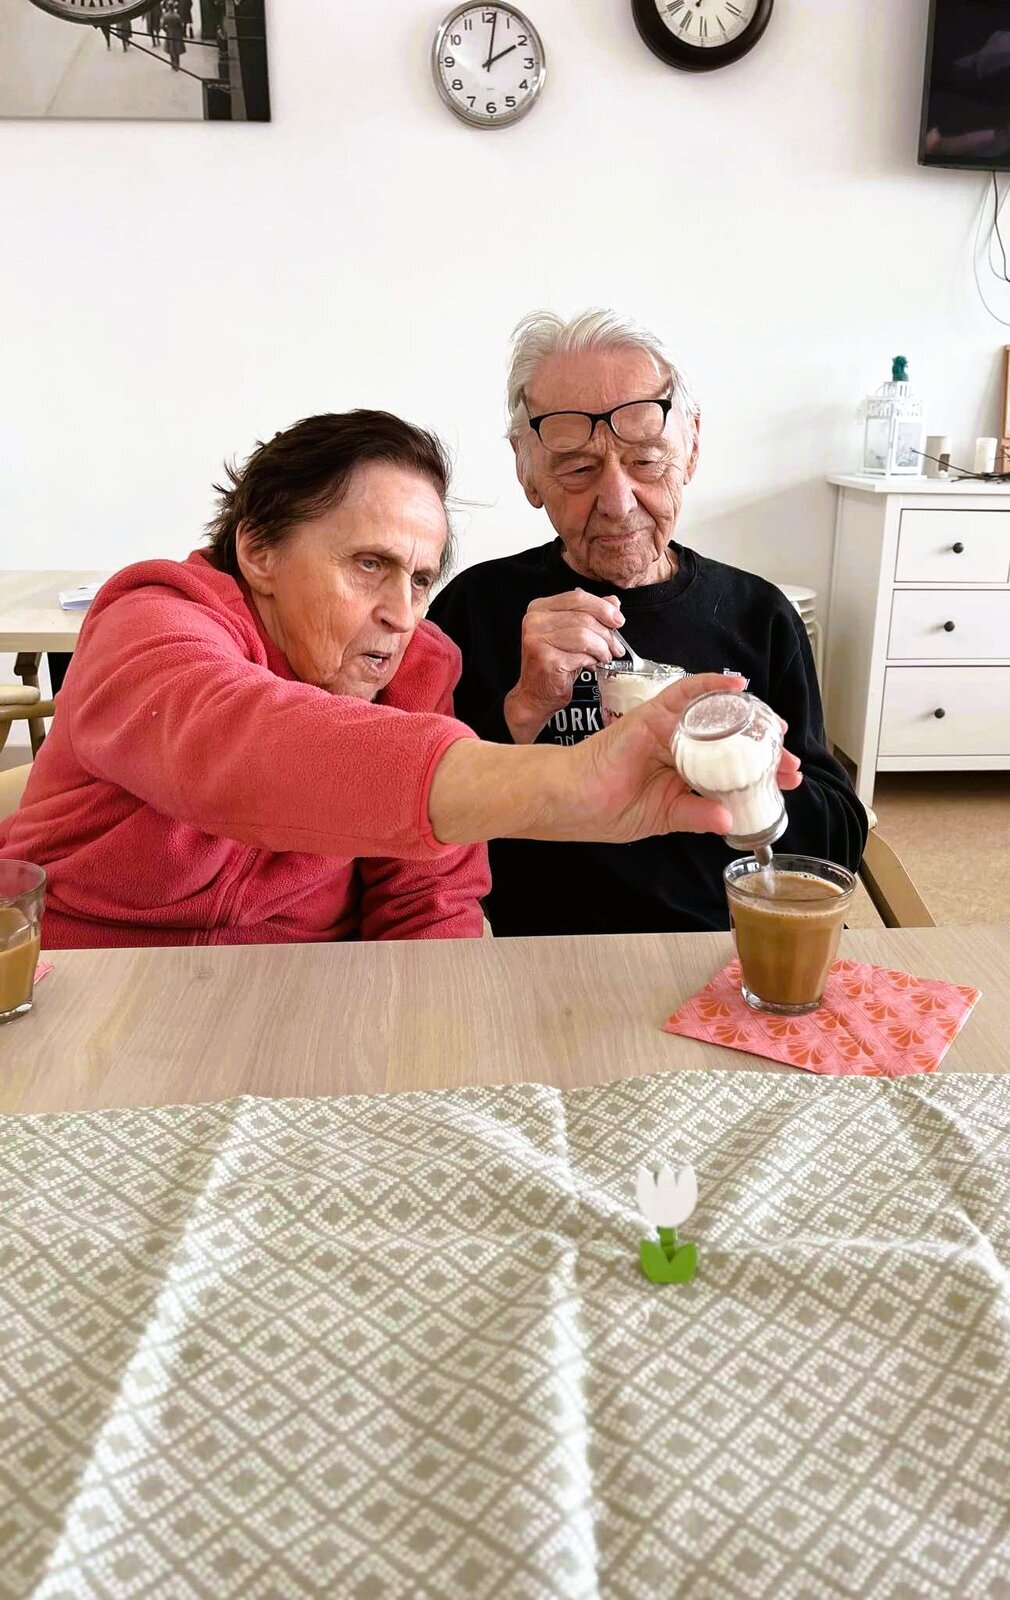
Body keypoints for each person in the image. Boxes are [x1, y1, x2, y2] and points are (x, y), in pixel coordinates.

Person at [0, 410, 792, 950]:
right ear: (259, 551)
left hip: (291, 1028)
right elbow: (241, 743)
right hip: (79, 996)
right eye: (368, 565)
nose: (401, 613)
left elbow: (428, 906)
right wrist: (568, 781)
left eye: (418, 579)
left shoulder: (418, 669)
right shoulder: (152, 620)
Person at [429, 310, 866, 937]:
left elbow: (839, 843)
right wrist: (520, 715)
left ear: (691, 447)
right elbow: (420, 835)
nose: (617, 502)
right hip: (544, 959)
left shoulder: (759, 616)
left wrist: (742, 771)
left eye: (646, 460)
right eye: (578, 469)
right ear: (528, 471)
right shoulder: (477, 608)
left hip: (719, 952)